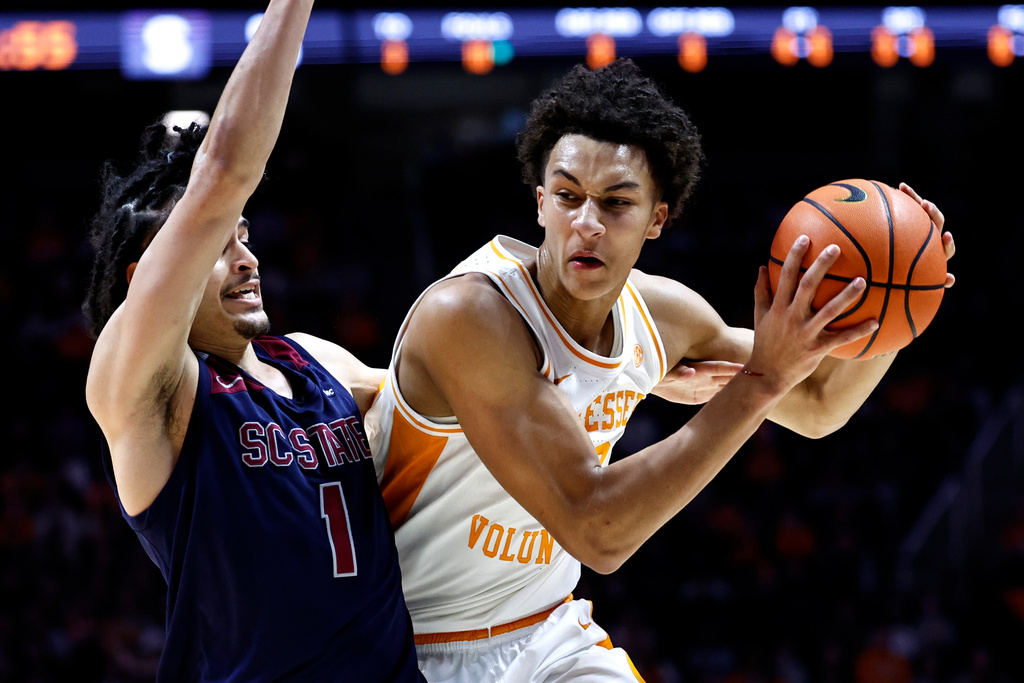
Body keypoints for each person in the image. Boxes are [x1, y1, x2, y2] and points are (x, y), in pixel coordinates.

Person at [364, 58, 955, 682]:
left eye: (616, 203)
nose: (586, 223)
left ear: (657, 218)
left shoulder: (661, 317)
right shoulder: (470, 315)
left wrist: (897, 307)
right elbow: (596, 530)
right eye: (567, 197)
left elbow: (816, 406)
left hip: (546, 627)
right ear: (540, 204)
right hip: (418, 642)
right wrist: (760, 382)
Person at [82, 1, 423, 680]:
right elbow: (223, 175)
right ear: (144, 276)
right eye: (214, 241)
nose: (244, 258)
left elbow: (462, 396)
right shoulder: (149, 392)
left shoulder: (314, 362)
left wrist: (627, 366)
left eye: (244, 236)